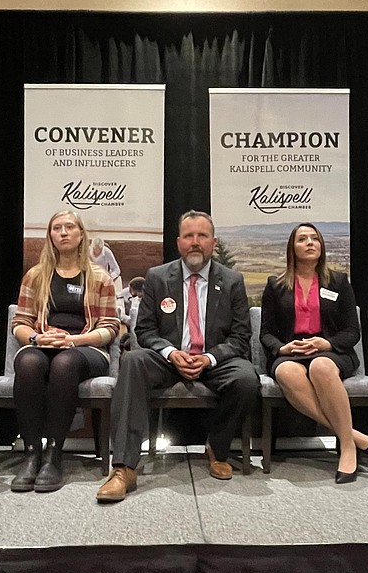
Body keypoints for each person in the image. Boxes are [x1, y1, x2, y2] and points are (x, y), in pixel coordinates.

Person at [97, 210, 259, 503]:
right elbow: (144, 330)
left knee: (247, 379)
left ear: (213, 241)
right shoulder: (158, 278)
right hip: (167, 359)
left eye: (202, 236)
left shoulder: (232, 280)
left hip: (214, 361)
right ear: (178, 242)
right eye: (188, 236)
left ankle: (217, 449)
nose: (195, 242)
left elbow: (240, 337)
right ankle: (123, 468)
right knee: (132, 360)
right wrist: (172, 354)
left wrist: (209, 358)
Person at [10, 211, 120, 493]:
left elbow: (110, 327)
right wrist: (37, 338)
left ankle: (54, 454)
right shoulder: (36, 276)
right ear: (50, 236)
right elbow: (20, 323)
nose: (63, 232)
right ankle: (32, 452)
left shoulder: (99, 277)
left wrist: (75, 340)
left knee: (64, 363)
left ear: (81, 234)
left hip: (87, 348)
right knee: (29, 362)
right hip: (45, 343)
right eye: (56, 228)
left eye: (69, 227)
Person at [260, 223, 368, 483]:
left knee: (321, 367)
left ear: (322, 246)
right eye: (302, 239)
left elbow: (352, 331)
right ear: (292, 247)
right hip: (292, 351)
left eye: (315, 238)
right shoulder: (276, 285)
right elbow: (266, 333)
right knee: (287, 371)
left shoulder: (338, 281)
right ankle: (353, 435)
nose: (310, 243)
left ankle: (347, 448)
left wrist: (326, 344)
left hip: (332, 350)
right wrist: (282, 348)